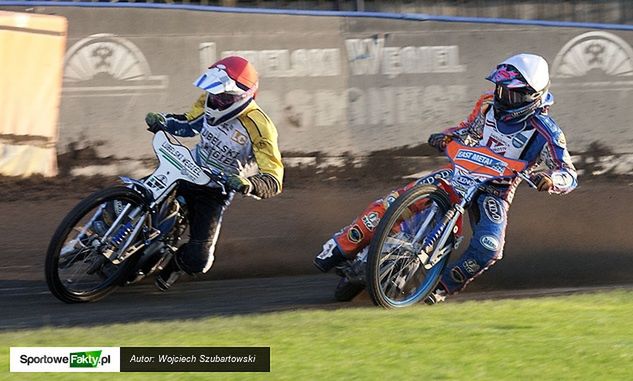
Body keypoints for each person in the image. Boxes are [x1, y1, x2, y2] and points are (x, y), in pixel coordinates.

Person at [313, 53, 578, 304]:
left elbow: (568, 174)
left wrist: (551, 180)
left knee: (489, 248)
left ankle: (441, 287)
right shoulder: (488, 104)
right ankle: (337, 248)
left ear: (533, 96)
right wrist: (447, 135)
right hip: (458, 173)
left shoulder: (547, 132)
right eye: (500, 89)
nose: (502, 97)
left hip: (494, 191)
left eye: (511, 93)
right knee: (395, 201)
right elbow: (467, 130)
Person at [145, 56, 284, 290]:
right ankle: (97, 230)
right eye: (215, 94)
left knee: (199, 260)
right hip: (184, 168)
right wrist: (164, 122)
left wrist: (247, 184)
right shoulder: (208, 99)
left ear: (243, 97)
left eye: (224, 97)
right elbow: (189, 125)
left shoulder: (261, 127)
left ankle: (176, 264)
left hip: (215, 189)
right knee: (137, 193)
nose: (217, 101)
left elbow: (274, 179)